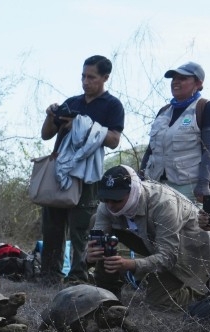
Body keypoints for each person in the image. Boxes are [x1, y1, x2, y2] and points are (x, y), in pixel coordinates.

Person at [37, 55, 125, 284]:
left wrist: (81, 126)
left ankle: (78, 275)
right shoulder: (73, 102)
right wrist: (52, 115)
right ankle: (49, 273)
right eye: (83, 76)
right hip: (60, 170)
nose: (86, 82)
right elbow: (46, 134)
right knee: (52, 224)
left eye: (92, 77)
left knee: (82, 226)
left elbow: (114, 139)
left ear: (105, 78)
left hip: (87, 174)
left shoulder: (112, 105)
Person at [87, 165, 210, 311]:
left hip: (186, 251)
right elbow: (94, 243)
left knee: (159, 303)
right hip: (151, 241)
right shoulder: (107, 204)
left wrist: (131, 264)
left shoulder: (165, 204)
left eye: (117, 200)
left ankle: (204, 289)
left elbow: (168, 257)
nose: (110, 205)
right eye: (106, 199)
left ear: (133, 190)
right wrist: (89, 257)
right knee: (96, 227)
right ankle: (108, 289)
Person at [140, 62, 210, 224]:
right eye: (173, 78)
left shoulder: (206, 108)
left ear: (198, 83)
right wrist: (141, 176)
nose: (175, 82)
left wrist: (203, 185)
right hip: (155, 185)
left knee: (188, 235)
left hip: (188, 187)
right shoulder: (164, 111)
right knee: (157, 233)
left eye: (183, 78)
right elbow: (151, 150)